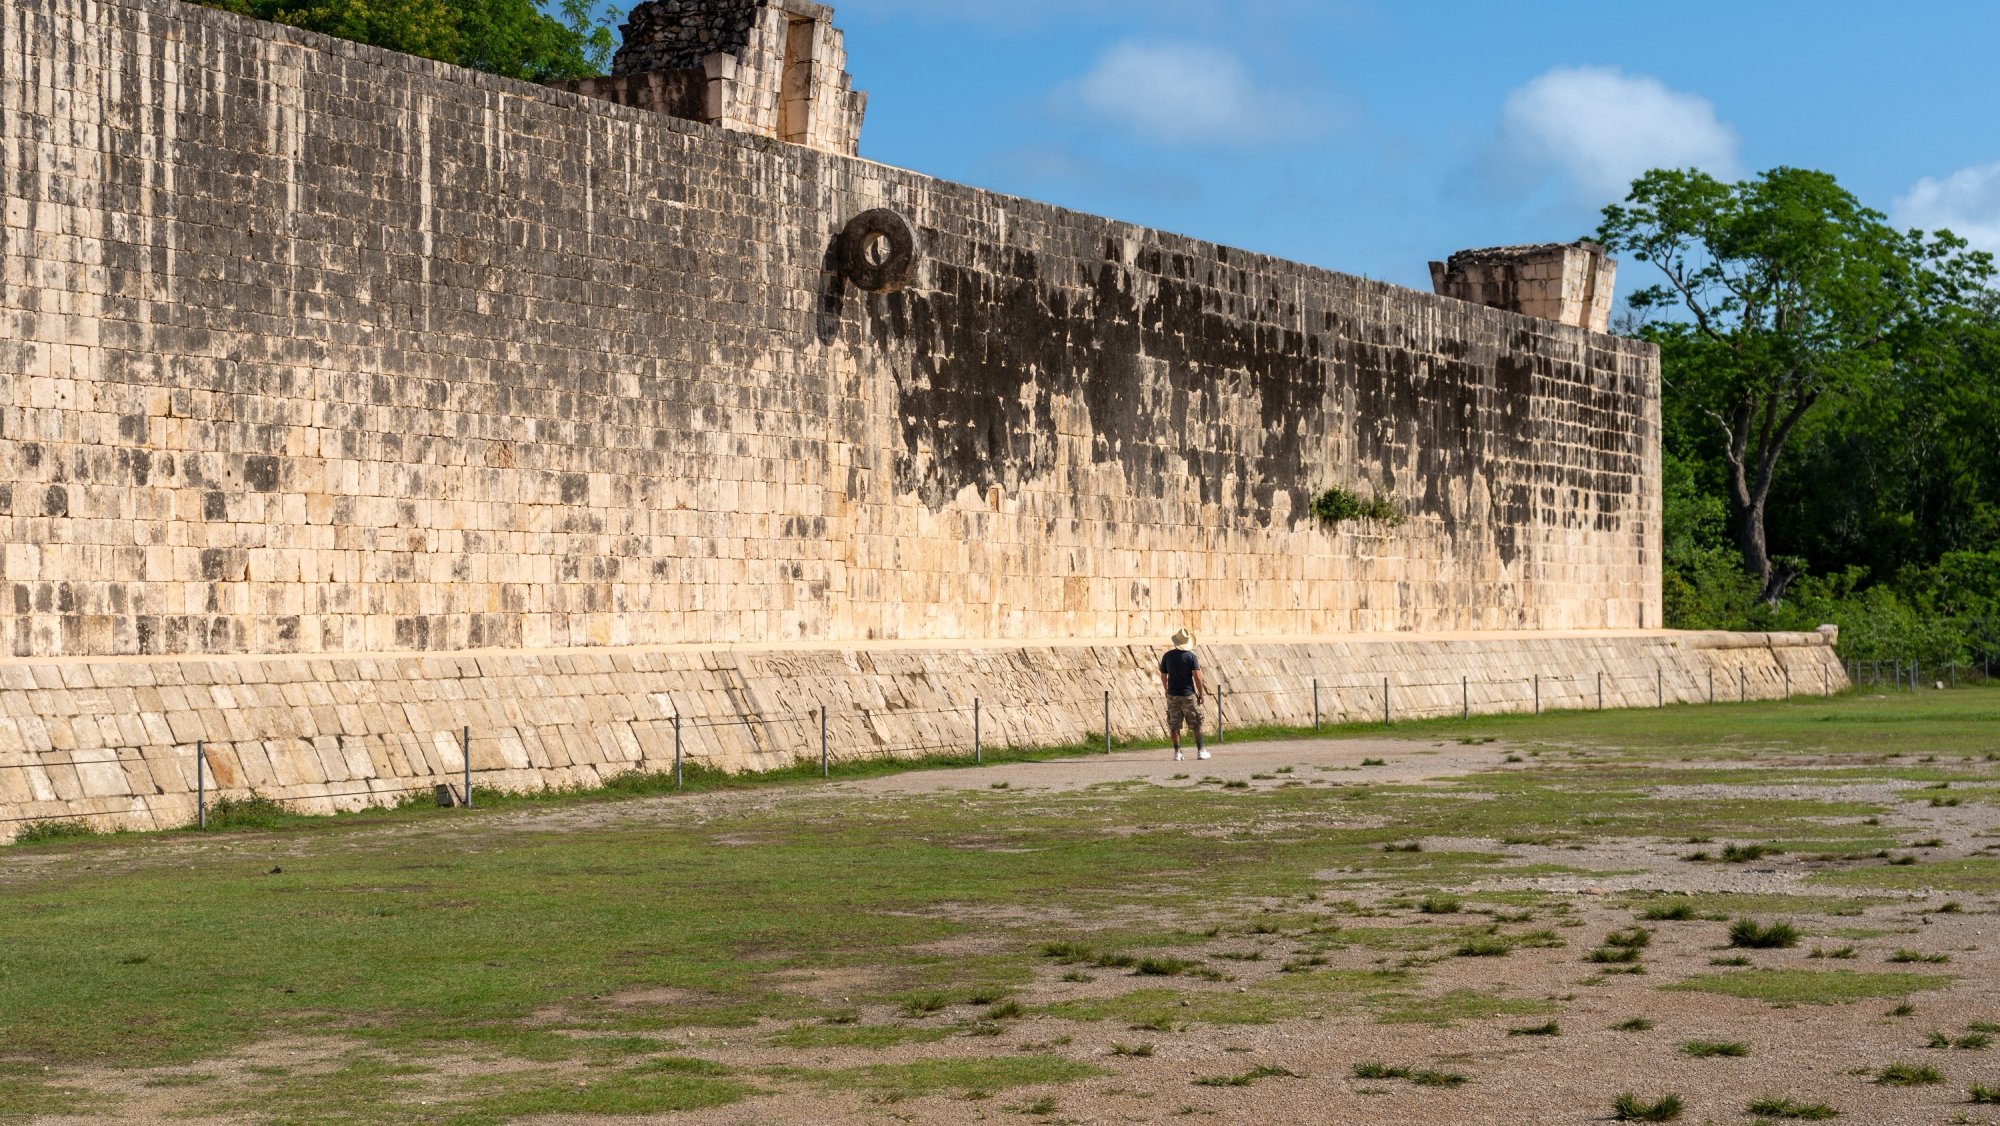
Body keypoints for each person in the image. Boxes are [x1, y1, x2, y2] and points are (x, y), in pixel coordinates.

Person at [1159, 628, 1209, 761]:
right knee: (1196, 723)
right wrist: (1201, 694)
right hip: (1188, 695)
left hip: (1172, 695)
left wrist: (1166, 689)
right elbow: (1197, 676)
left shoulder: (1167, 656)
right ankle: (1201, 750)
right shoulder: (1191, 656)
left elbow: (1163, 675)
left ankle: (1178, 753)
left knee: (1174, 725)